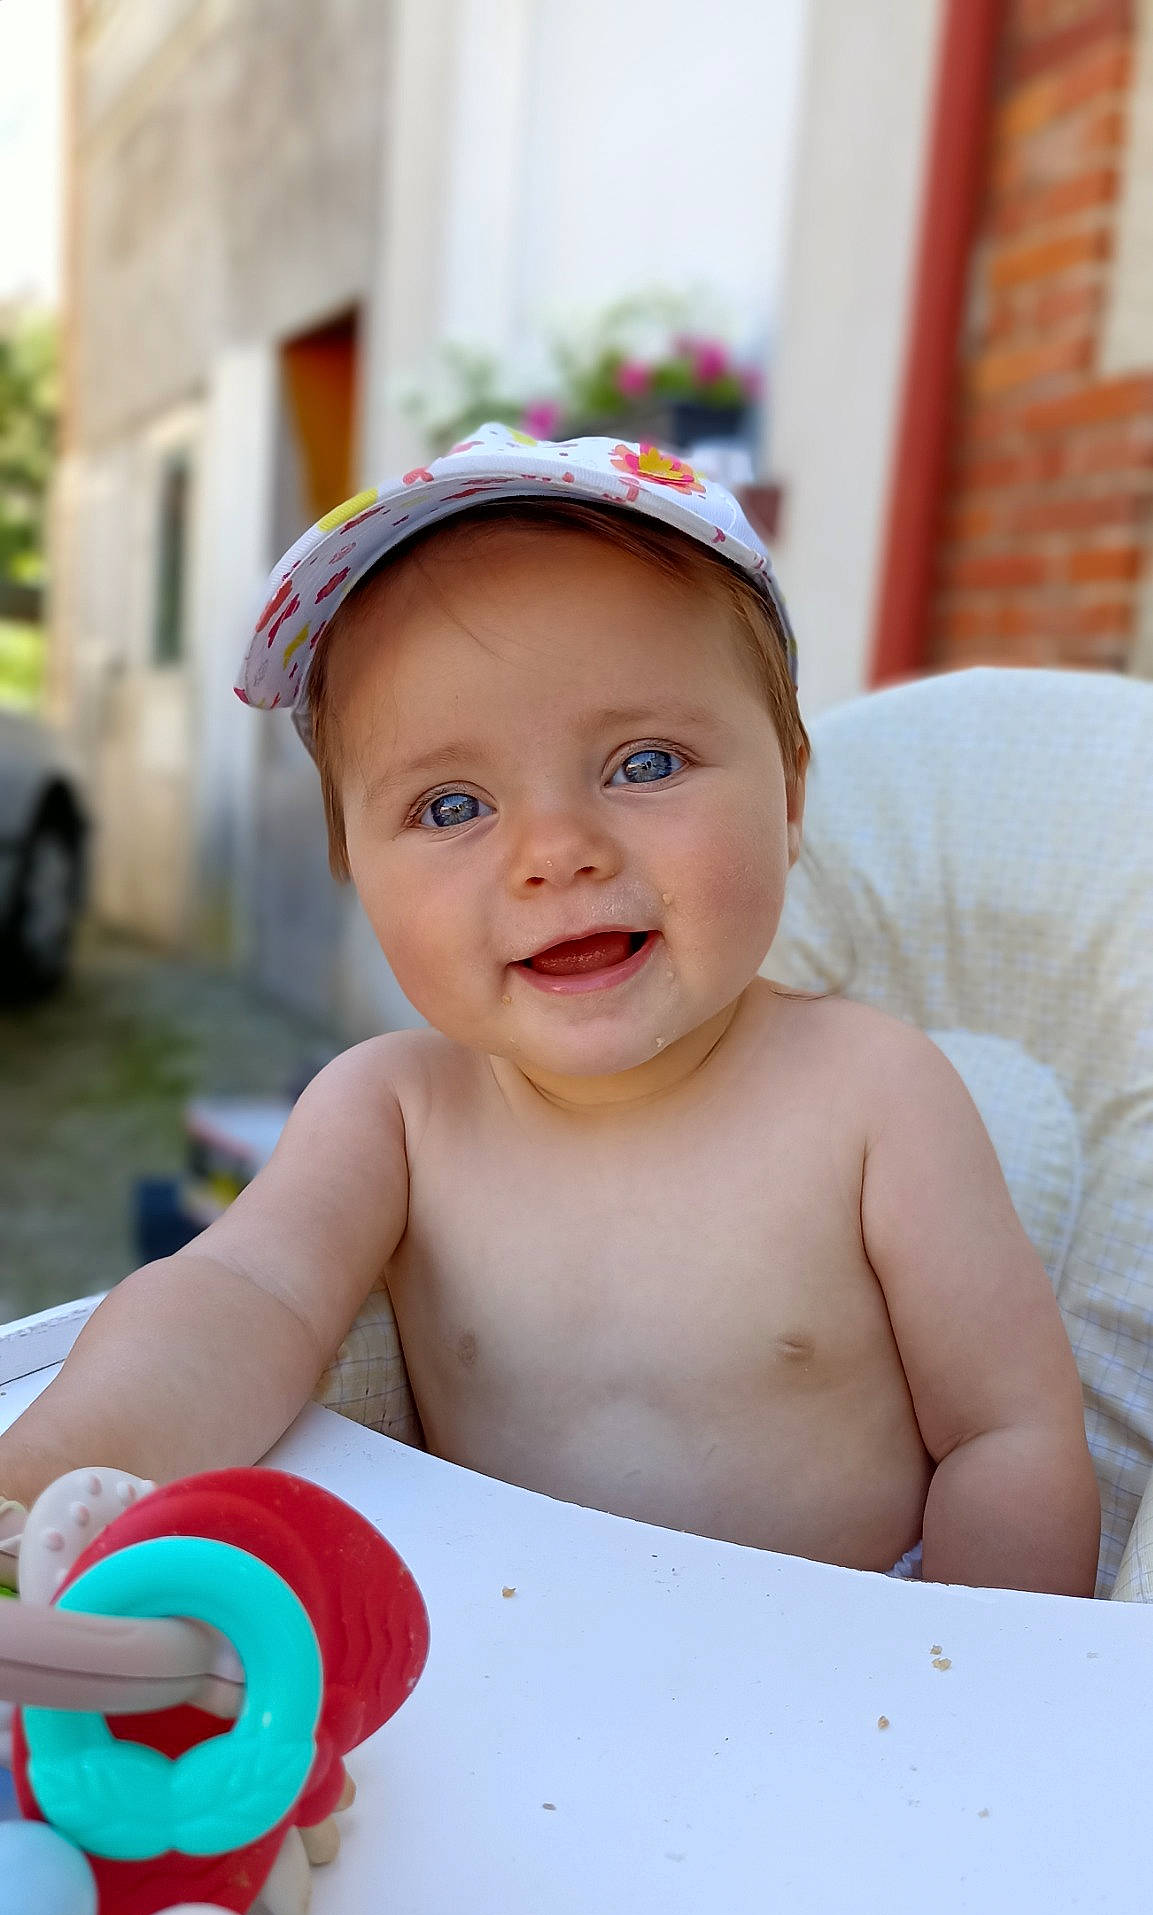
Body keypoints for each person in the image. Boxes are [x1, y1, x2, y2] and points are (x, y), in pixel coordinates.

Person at [0, 426, 1100, 1594]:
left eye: (644, 764)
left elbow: (1009, 1438)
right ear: (352, 866)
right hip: (504, 1684)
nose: (554, 852)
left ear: (786, 796)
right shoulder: (393, 1112)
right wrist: (41, 1484)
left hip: (843, 1689)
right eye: (451, 803)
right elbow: (234, 1299)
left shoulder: (873, 1094)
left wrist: (969, 1695)